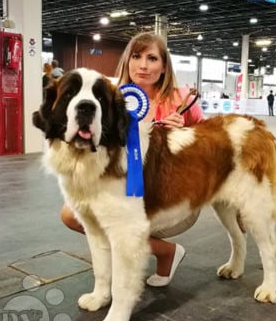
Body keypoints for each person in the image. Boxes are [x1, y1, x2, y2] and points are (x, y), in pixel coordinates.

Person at [60, 32, 203, 287]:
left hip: (170, 196)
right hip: (117, 191)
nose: (143, 65)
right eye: (136, 56)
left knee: (120, 222)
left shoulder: (182, 101)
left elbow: (207, 146)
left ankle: (139, 260)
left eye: (152, 58)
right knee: (72, 215)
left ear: (164, 66)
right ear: (127, 60)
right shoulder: (108, 98)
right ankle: (164, 252)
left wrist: (185, 133)